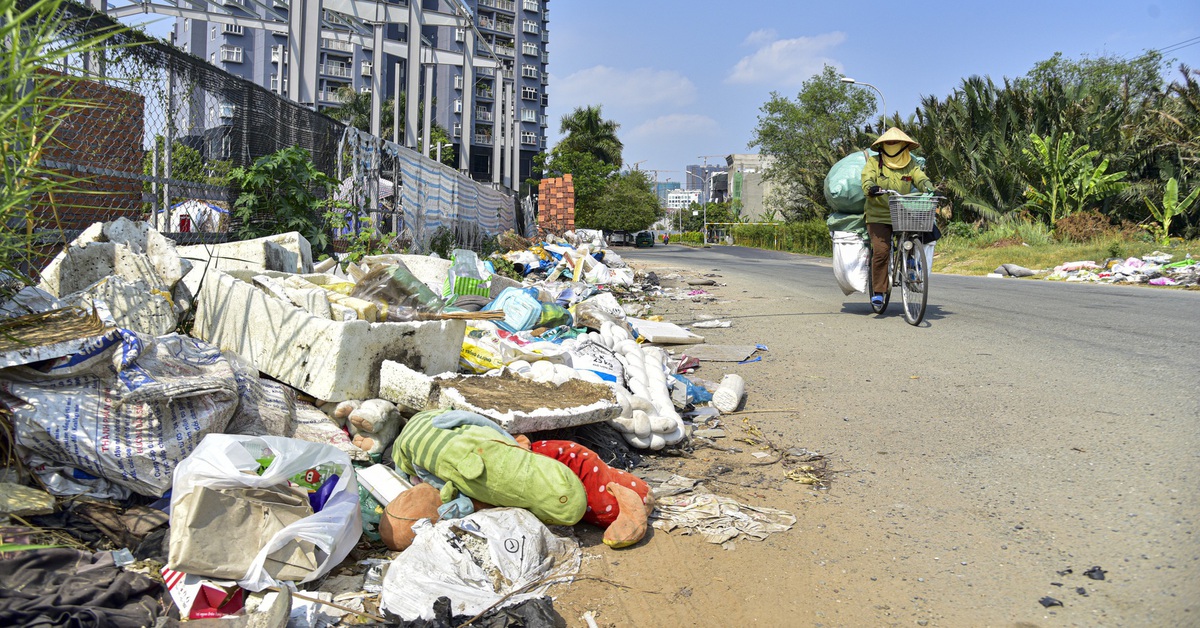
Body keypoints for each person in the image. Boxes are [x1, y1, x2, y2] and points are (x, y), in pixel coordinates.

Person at [860, 127, 936, 307]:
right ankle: (878, 291)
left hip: (902, 212)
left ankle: (910, 264)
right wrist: (871, 187)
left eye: (895, 142)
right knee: (881, 251)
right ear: (882, 146)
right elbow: (867, 178)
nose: (892, 146)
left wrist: (929, 186)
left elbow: (920, 177)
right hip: (878, 214)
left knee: (916, 234)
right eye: (888, 143)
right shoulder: (874, 162)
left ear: (904, 145)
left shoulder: (911, 163)